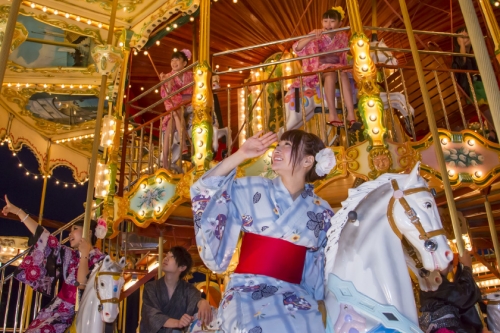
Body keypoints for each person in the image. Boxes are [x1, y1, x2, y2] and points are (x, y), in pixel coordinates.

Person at [191, 129, 337, 333]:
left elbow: (322, 264)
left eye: (287, 145)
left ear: (307, 161)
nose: (278, 148)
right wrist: (241, 154)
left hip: (295, 294)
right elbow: (205, 189)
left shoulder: (322, 211)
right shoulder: (253, 188)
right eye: (278, 144)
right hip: (248, 288)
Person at [2, 195, 105, 333]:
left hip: (81, 309)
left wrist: (85, 254)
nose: (70, 234)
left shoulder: (100, 259)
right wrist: (19, 212)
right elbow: (44, 237)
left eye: (74, 229)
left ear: (89, 232)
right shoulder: (70, 254)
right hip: (59, 307)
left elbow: (81, 284)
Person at [291, 7, 360, 130]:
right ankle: (332, 114)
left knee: (343, 74)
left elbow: (343, 54)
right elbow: (297, 48)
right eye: (325, 21)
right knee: (331, 74)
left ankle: (351, 114)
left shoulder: (343, 36)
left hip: (338, 67)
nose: (328, 25)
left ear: (340, 23)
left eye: (332, 21)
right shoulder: (317, 33)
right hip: (321, 67)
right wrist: (312, 37)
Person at [140, 246, 212, 333]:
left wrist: (203, 302)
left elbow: (196, 300)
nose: (166, 258)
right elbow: (151, 315)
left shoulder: (188, 290)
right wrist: (177, 323)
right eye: (166, 255)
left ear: (182, 267)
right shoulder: (150, 287)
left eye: (172, 257)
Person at [419, 251, 484, 333]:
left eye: (443, 261)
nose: (439, 265)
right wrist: (467, 266)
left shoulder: (438, 284)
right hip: (444, 329)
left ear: (451, 268)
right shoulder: (434, 284)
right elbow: (465, 296)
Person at [160, 49, 194, 167]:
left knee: (171, 124)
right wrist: (166, 81)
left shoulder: (190, 75)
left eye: (177, 60)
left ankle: (164, 160)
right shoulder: (169, 75)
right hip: (174, 102)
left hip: (187, 102)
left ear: (184, 63)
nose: (174, 63)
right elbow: (168, 91)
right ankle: (183, 146)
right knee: (175, 113)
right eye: (172, 60)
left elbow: (193, 89)